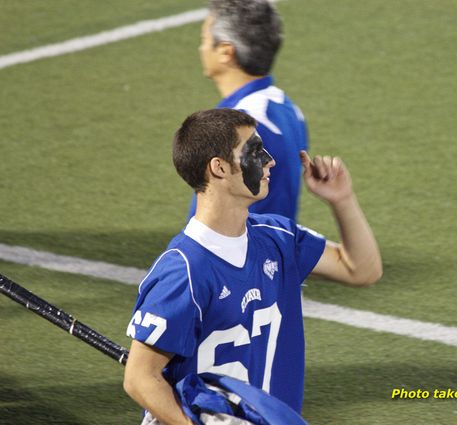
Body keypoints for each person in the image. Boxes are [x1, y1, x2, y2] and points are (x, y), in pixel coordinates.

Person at [123, 108, 382, 425]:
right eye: (255, 151)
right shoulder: (184, 271)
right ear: (218, 168)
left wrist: (342, 199)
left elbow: (362, 270)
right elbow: (139, 377)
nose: (270, 161)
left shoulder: (278, 237)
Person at [188, 0, 307, 221]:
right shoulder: (288, 108)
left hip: (235, 250)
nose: (201, 48)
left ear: (225, 51)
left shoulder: (236, 124)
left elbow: (215, 213)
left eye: (204, 40)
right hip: (275, 246)